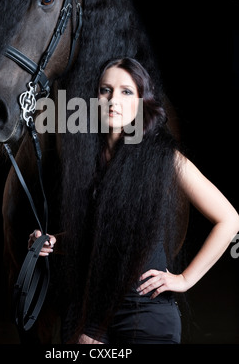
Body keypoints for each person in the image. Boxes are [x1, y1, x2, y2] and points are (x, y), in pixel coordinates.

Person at [28, 57, 239, 344]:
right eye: (105, 90)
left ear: (142, 102)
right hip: (88, 314)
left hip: (145, 314)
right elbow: (99, 235)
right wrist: (52, 242)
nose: (113, 100)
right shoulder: (86, 161)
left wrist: (185, 279)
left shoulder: (163, 157)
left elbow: (229, 219)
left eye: (126, 91)